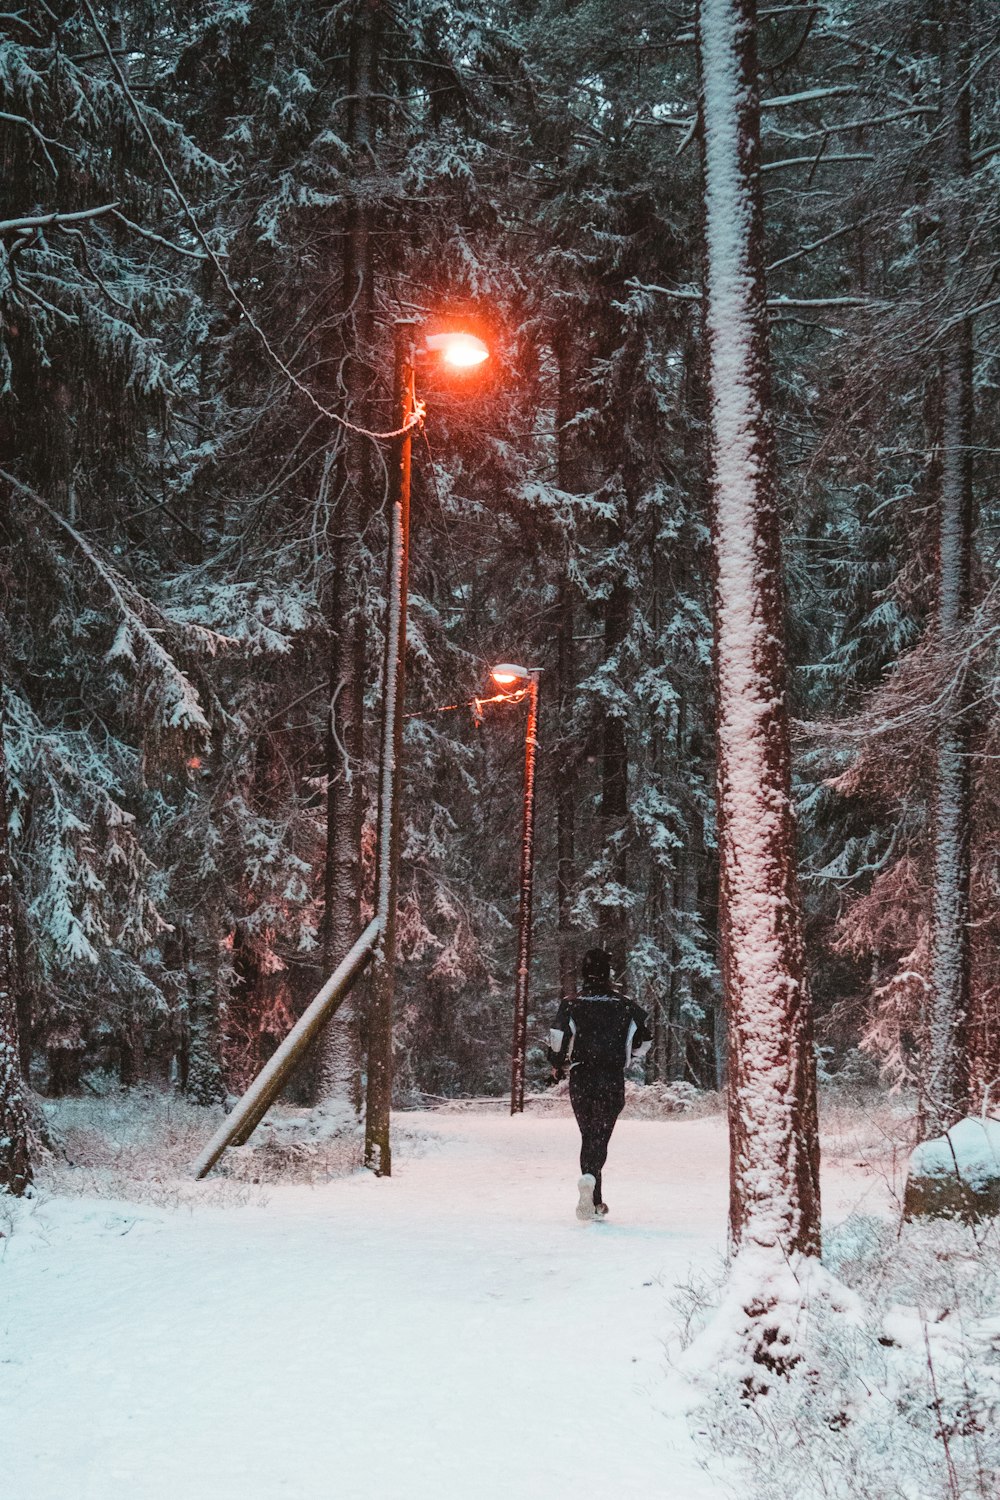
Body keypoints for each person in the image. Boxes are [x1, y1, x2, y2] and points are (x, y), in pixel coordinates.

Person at [547, 947, 651, 1221]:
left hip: (582, 1076)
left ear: (584, 972)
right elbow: (646, 1039)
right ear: (608, 974)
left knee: (588, 1134)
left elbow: (557, 1036)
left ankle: (592, 1194)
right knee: (601, 1136)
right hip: (611, 1077)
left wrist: (557, 1064)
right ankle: (592, 1189)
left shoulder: (571, 1003)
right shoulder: (626, 1005)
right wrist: (630, 1054)